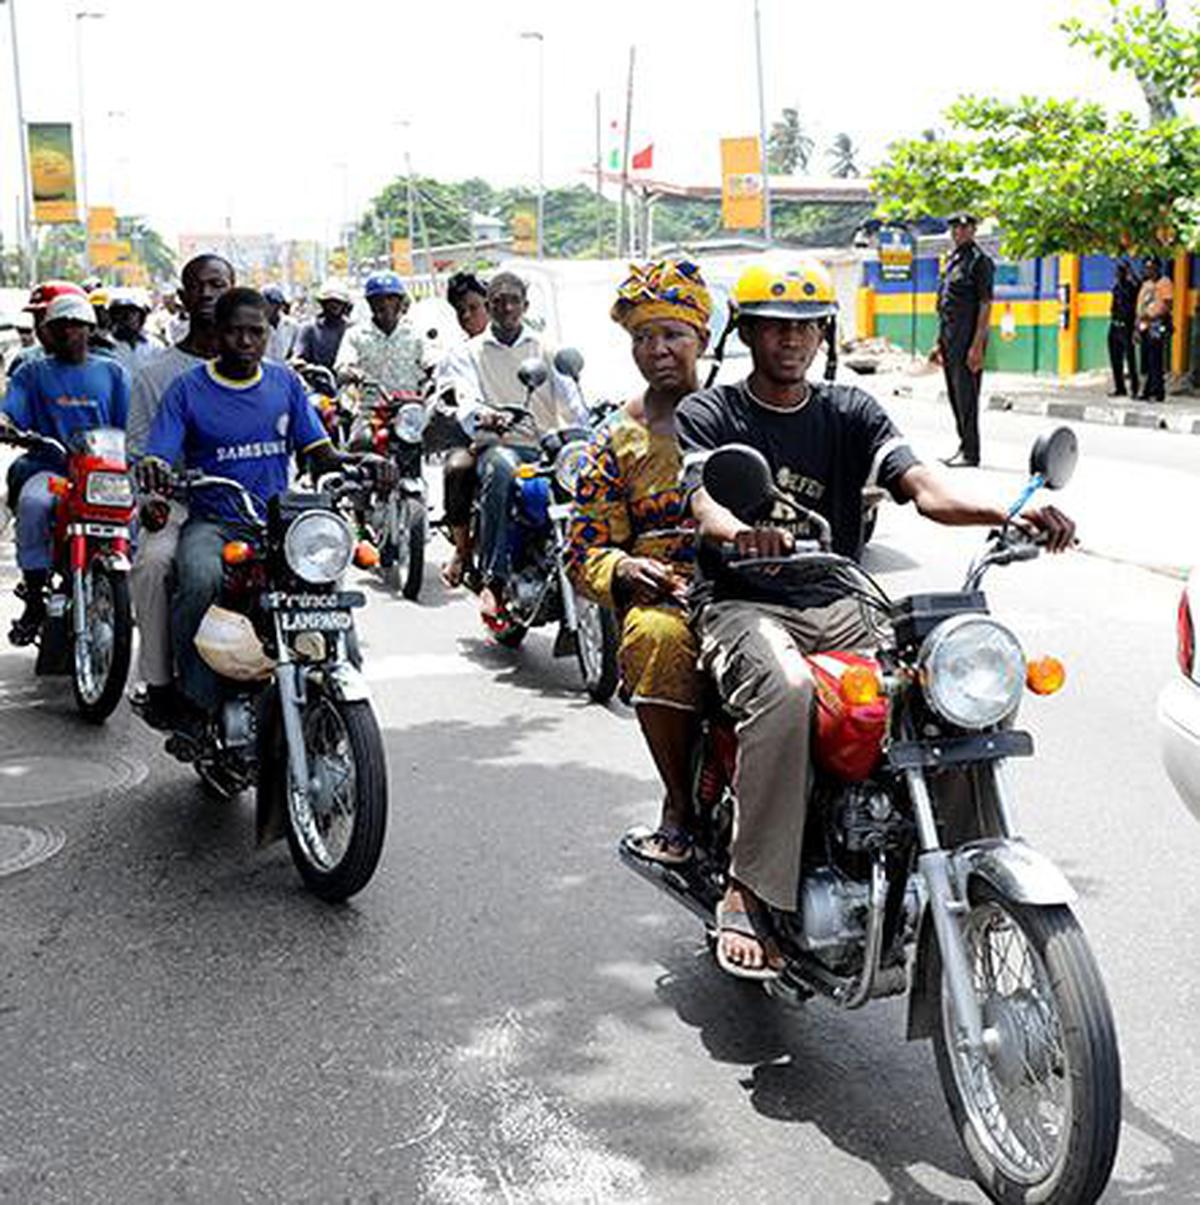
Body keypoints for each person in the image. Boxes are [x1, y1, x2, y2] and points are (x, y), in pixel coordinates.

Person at [676, 259, 1075, 979]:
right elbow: (706, 500)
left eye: (806, 326)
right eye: (775, 326)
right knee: (788, 690)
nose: (792, 340)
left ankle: (961, 864)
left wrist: (1009, 510)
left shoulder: (851, 411)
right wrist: (742, 533)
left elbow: (924, 489)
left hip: (840, 595)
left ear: (823, 334)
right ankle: (749, 889)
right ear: (747, 331)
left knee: (938, 688)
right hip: (744, 599)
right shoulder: (713, 414)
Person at [136, 288, 393, 727]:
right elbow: (158, 451)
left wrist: (361, 460)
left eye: (256, 332)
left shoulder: (285, 383)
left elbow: (321, 453)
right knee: (199, 578)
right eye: (235, 331)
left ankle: (339, 677)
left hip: (280, 521)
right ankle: (194, 700)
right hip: (216, 521)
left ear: (269, 335)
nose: (246, 341)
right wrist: (156, 466)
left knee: (325, 581)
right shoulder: (187, 390)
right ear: (216, 334)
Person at [567, 259, 712, 864]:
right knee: (655, 637)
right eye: (642, 338)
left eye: (672, 335)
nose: (657, 350)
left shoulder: (741, 411)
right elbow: (584, 550)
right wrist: (624, 570)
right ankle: (679, 802)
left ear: (701, 339)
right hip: (668, 597)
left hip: (755, 586)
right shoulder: (613, 441)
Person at [127, 253, 236, 729]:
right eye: (200, 286)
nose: (209, 294)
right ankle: (161, 684)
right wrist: (155, 488)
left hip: (244, 506)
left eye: (219, 284)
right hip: (179, 505)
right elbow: (137, 449)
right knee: (154, 564)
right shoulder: (156, 374)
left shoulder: (265, 368)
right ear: (182, 297)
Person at [440, 271, 585, 599]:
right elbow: (466, 396)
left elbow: (571, 400)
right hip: (501, 444)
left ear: (525, 305)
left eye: (513, 301)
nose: (507, 307)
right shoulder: (469, 352)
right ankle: (494, 577)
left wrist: (586, 427)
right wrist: (484, 415)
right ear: (489, 306)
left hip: (547, 446)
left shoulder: (546, 347)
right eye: (498, 301)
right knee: (502, 467)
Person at [0, 293, 130, 644]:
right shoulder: (31, 372)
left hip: (103, 473)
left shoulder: (113, 372)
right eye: (60, 326)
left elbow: (131, 423)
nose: (69, 333)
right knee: (32, 504)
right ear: (49, 331)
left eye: (76, 326)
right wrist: (7, 424)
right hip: (53, 471)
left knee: (137, 513)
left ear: (90, 329)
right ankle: (35, 592)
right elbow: (11, 411)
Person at [334, 270, 424, 445]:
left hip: (409, 411)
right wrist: (354, 373)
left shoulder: (416, 333)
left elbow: (432, 362)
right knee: (361, 441)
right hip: (370, 411)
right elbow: (342, 367)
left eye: (391, 298)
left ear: (400, 301)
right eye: (378, 299)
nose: (385, 304)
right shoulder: (355, 334)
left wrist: (434, 378)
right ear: (369, 303)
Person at [934, 212, 994, 468]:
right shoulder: (953, 260)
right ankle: (962, 445)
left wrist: (977, 345)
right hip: (950, 338)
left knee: (967, 396)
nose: (959, 232)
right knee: (955, 395)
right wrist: (939, 341)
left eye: (964, 228)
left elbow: (985, 304)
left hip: (968, 339)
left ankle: (971, 453)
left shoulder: (979, 262)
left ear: (973, 230)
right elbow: (945, 304)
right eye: (955, 229)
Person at [1136, 256, 1174, 402]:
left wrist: (1153, 316)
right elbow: (1140, 306)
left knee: (1155, 359)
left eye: (1151, 267)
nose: (1148, 270)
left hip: (1157, 324)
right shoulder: (1146, 284)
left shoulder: (1165, 283)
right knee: (1145, 359)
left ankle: (1157, 392)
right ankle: (1146, 390)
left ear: (1158, 268)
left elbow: (1168, 305)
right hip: (1144, 324)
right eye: (1146, 267)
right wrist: (1137, 325)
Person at [293, 280, 353, 370]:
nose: (334, 306)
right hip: (317, 379)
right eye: (330, 302)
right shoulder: (309, 328)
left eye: (338, 302)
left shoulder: (351, 329)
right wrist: (301, 364)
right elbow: (298, 356)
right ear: (323, 304)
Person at [1107, 259, 1140, 398]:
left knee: (1130, 359)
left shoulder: (1132, 287)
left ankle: (1134, 388)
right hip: (1115, 325)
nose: (1118, 274)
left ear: (1126, 273)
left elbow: (1140, 285)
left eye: (1121, 271)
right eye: (1117, 272)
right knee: (1115, 359)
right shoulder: (1116, 288)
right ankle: (1120, 388)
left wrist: (1131, 271)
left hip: (1127, 327)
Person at [108, 288, 160, 374]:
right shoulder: (107, 347)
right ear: (114, 317)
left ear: (141, 317)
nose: (127, 318)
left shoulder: (155, 346)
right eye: (121, 313)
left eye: (132, 313)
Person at [263, 284, 298, 361]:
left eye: (274, 304)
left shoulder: (292, 325)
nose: (270, 307)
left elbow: (295, 351)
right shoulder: (258, 326)